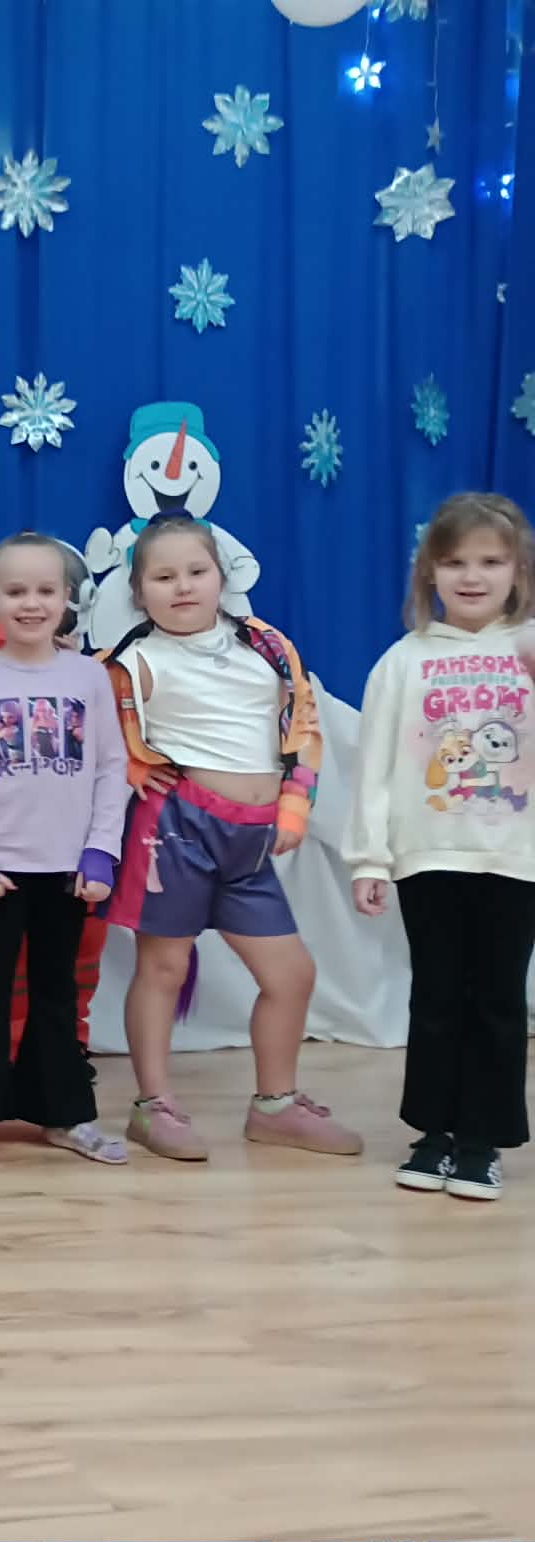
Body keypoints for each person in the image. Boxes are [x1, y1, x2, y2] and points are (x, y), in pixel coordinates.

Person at [101, 516, 358, 1161]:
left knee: (292, 975)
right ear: (139, 591)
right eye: (163, 576)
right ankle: (153, 1105)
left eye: (197, 571)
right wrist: (134, 768)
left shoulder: (266, 646)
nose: (183, 586)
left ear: (221, 577)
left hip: (251, 840)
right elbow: (94, 737)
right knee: (164, 966)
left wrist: (296, 802)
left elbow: (302, 722)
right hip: (177, 831)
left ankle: (275, 1105)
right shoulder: (133, 661)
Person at [345, 492, 535, 1201]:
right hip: (428, 858)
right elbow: (374, 768)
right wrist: (370, 857)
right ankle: (434, 1135)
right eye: (455, 562)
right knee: (436, 996)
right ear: (430, 572)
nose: (472, 576)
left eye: (490, 561)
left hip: (515, 860)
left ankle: (482, 1141)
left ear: (518, 571)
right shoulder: (404, 661)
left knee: (499, 1001)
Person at [0, 535, 129, 1167]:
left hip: (69, 871)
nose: (31, 603)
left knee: (57, 994)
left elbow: (111, 769)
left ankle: (64, 1114)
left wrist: (100, 853)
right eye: (15, 591)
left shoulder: (89, 677)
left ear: (67, 597)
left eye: (45, 590)